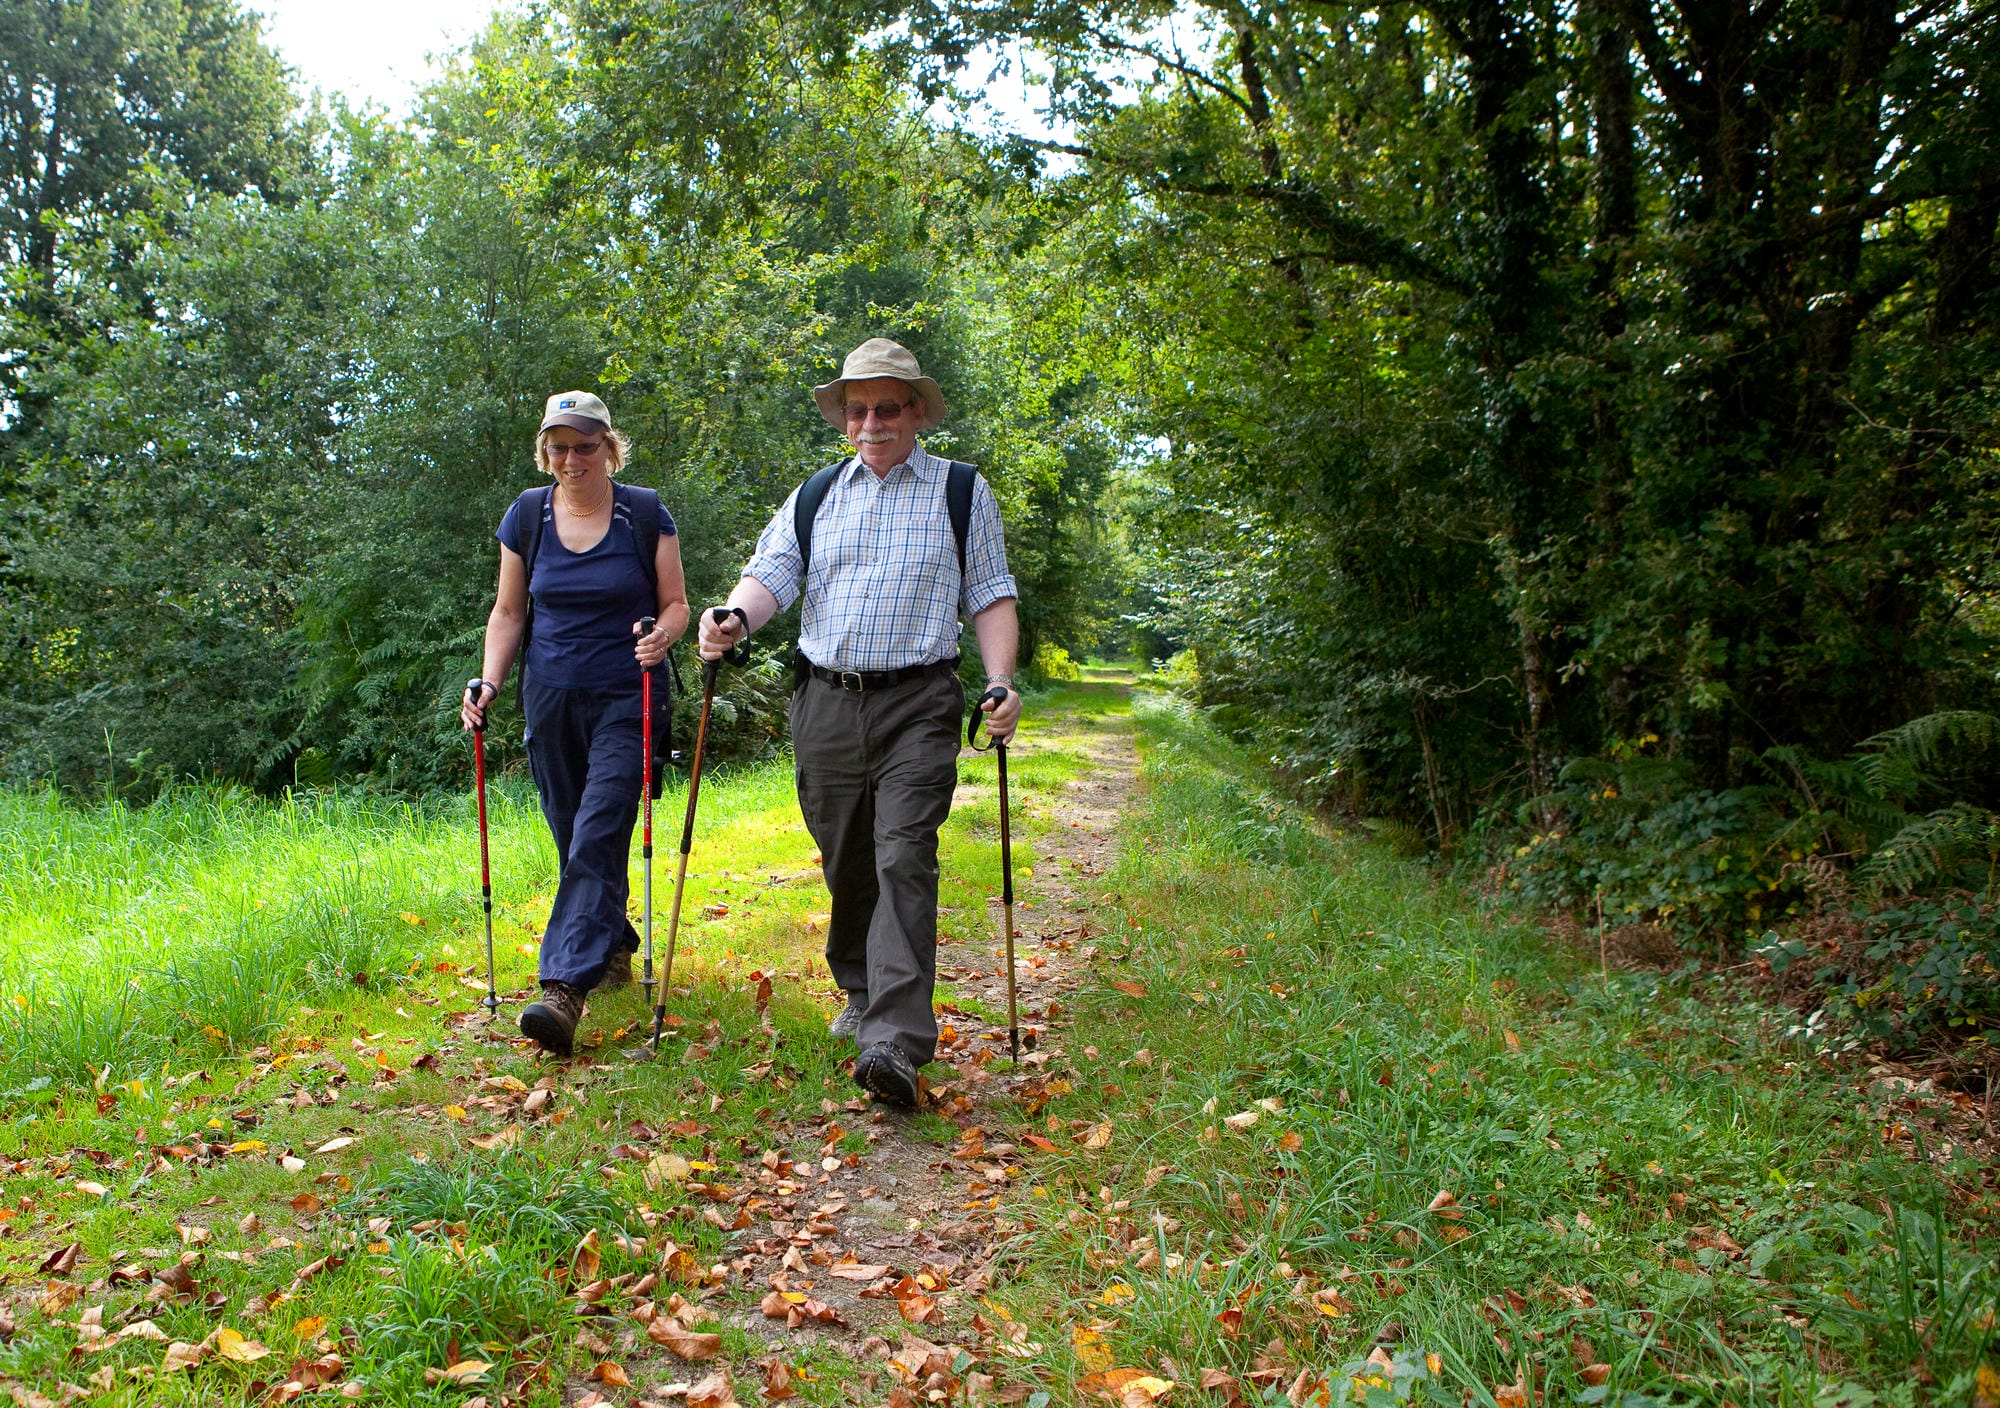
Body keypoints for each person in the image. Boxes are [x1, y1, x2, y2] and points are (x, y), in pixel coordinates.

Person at [697, 338, 1020, 1107]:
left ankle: (895, 1042)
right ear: (845, 419)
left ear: (916, 413)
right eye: (859, 408)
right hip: (828, 703)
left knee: (903, 854)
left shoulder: (962, 492)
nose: (872, 420)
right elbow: (773, 572)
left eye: (888, 407)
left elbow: (991, 593)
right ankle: (859, 985)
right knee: (845, 856)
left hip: (920, 700)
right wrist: (735, 617)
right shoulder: (815, 494)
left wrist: (1001, 680)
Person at [462, 391, 690, 1056]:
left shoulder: (643, 514)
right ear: (546, 452)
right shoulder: (527, 516)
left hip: (628, 696)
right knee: (572, 835)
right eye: (559, 446)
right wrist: (490, 679)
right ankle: (612, 941)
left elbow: (675, 604)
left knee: (597, 828)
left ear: (607, 447)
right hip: (552, 698)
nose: (571, 458)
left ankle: (563, 988)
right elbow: (508, 614)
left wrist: (662, 637)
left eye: (584, 445)